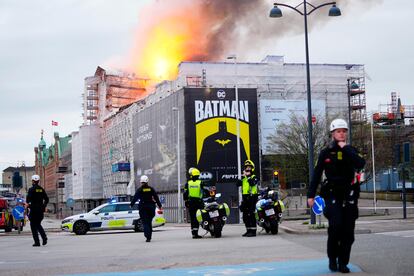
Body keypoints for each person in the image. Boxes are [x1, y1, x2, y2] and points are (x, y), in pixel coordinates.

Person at [307, 119, 365, 273]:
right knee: (336, 226)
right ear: (332, 133)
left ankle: (343, 262)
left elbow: (360, 164)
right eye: (338, 131)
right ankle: (333, 258)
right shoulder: (325, 152)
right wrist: (310, 195)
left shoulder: (351, 150)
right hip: (332, 193)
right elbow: (317, 174)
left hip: (349, 194)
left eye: (344, 131)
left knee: (348, 232)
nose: (341, 133)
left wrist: (345, 149)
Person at [130, 175, 162, 242]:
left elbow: (135, 198)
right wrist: (159, 205)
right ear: (147, 181)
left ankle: (147, 236)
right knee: (149, 222)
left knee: (145, 223)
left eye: (142, 182)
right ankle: (149, 236)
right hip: (151, 207)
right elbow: (156, 197)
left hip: (143, 207)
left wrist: (131, 204)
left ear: (141, 182)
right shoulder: (151, 189)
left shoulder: (140, 190)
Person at [237, 160, 259, 237]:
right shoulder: (244, 178)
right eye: (246, 167)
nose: (247, 169)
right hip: (245, 198)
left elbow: (252, 183)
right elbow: (237, 184)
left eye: (249, 167)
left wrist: (248, 176)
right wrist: (242, 177)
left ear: (252, 168)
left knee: (251, 215)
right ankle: (248, 230)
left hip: (252, 198)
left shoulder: (254, 177)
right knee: (245, 216)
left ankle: (253, 231)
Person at [26, 174, 49, 247]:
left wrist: (28, 206)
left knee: (33, 226)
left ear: (33, 181)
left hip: (33, 210)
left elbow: (28, 201)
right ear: (38, 181)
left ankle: (37, 242)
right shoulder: (41, 189)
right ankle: (44, 238)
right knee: (38, 224)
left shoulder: (31, 189)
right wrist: (44, 206)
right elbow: (46, 199)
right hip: (40, 211)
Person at [183, 167, 205, 239]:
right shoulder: (201, 182)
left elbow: (185, 193)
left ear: (191, 175)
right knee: (199, 217)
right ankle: (196, 233)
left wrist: (186, 201)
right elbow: (205, 191)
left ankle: (194, 233)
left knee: (193, 218)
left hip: (191, 202)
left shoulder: (188, 183)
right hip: (199, 202)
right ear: (198, 175)